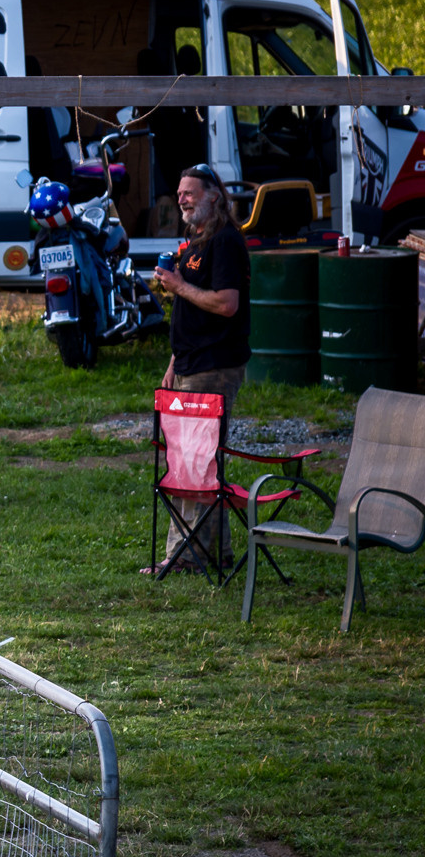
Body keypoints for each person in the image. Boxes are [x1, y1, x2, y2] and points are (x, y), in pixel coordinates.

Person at [150, 164, 251, 573]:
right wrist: (174, 362)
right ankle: (212, 552)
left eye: (190, 192)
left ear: (214, 195)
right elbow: (191, 308)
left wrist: (178, 286)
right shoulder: (195, 241)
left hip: (216, 364)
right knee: (190, 461)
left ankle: (184, 557)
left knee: (194, 462)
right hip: (190, 364)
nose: (182, 199)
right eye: (179, 193)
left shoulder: (225, 241)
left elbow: (227, 304)